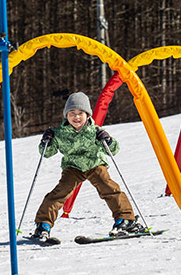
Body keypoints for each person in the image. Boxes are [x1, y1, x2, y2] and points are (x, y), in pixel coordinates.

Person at [31, 91, 146, 240]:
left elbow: (114, 150)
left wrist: (108, 140)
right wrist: (46, 141)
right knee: (60, 193)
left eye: (80, 113)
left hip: (95, 164)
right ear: (66, 115)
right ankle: (43, 225)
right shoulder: (59, 133)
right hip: (72, 167)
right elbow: (46, 153)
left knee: (109, 188)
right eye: (72, 113)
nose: (76, 117)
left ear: (88, 115)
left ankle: (126, 220)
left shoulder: (95, 131)